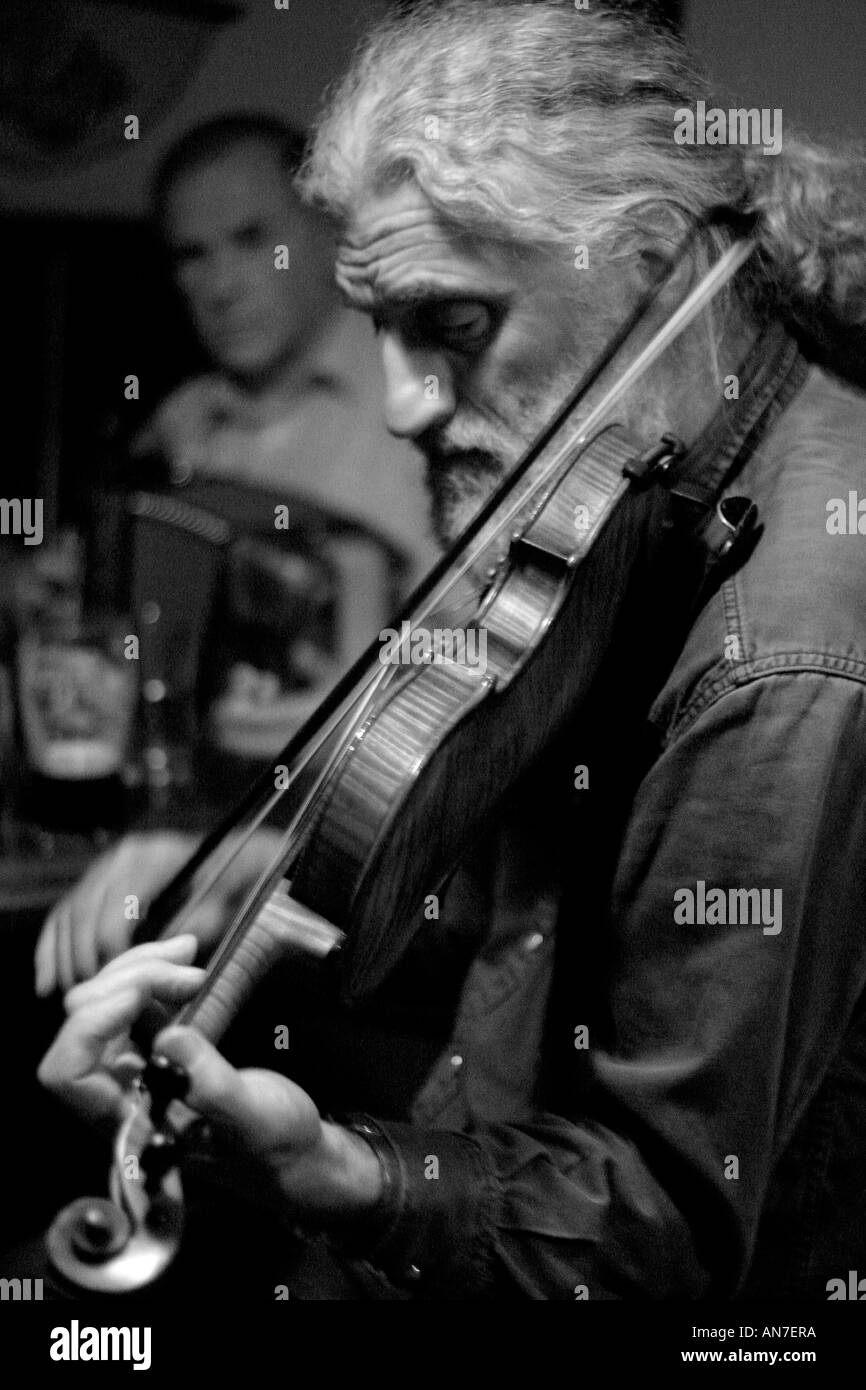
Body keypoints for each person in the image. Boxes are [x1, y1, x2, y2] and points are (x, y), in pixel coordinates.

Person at [34, 0, 866, 1300]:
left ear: (648, 257)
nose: (401, 401)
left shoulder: (781, 660)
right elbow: (529, 893)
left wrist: (335, 1173)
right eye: (379, 327)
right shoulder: (636, 466)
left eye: (453, 326)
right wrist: (256, 870)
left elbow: (672, 1230)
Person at [91, 113, 438, 773]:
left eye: (251, 239)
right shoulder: (173, 427)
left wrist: (376, 713)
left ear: (328, 228)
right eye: (192, 255)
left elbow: (510, 666)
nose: (220, 288)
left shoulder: (430, 402)